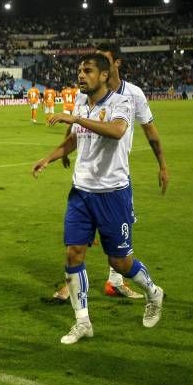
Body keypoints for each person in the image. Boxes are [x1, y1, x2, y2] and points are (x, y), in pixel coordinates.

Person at [32, 53, 166, 344]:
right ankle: (83, 322)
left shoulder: (122, 101)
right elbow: (74, 138)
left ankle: (153, 292)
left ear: (105, 75)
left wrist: (76, 118)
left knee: (120, 263)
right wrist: (50, 157)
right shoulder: (80, 101)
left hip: (112, 193)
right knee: (73, 254)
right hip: (81, 191)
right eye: (79, 70)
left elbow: (117, 131)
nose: (81, 75)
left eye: (88, 71)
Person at [52, 43, 169, 301]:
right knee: (76, 245)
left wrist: (162, 164)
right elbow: (74, 129)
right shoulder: (84, 96)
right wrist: (62, 151)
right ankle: (74, 290)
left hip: (116, 176)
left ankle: (117, 281)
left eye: (97, 63)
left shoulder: (132, 95)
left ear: (113, 66)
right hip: (86, 180)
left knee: (119, 249)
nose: (86, 72)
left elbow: (149, 131)